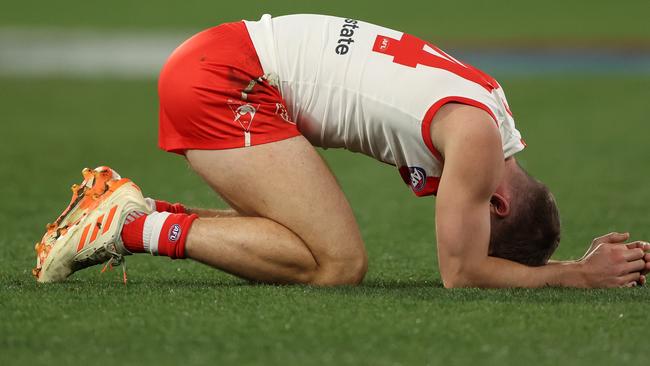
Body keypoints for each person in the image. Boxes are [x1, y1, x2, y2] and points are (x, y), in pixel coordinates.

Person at [33, 14, 650, 288]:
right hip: (229, 79)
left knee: (311, 244)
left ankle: (124, 211)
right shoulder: (479, 141)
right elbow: (462, 274)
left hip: (229, 61)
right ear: (497, 206)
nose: (449, 223)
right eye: (471, 224)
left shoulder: (493, 107)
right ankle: (134, 226)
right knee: (335, 264)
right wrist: (575, 276)